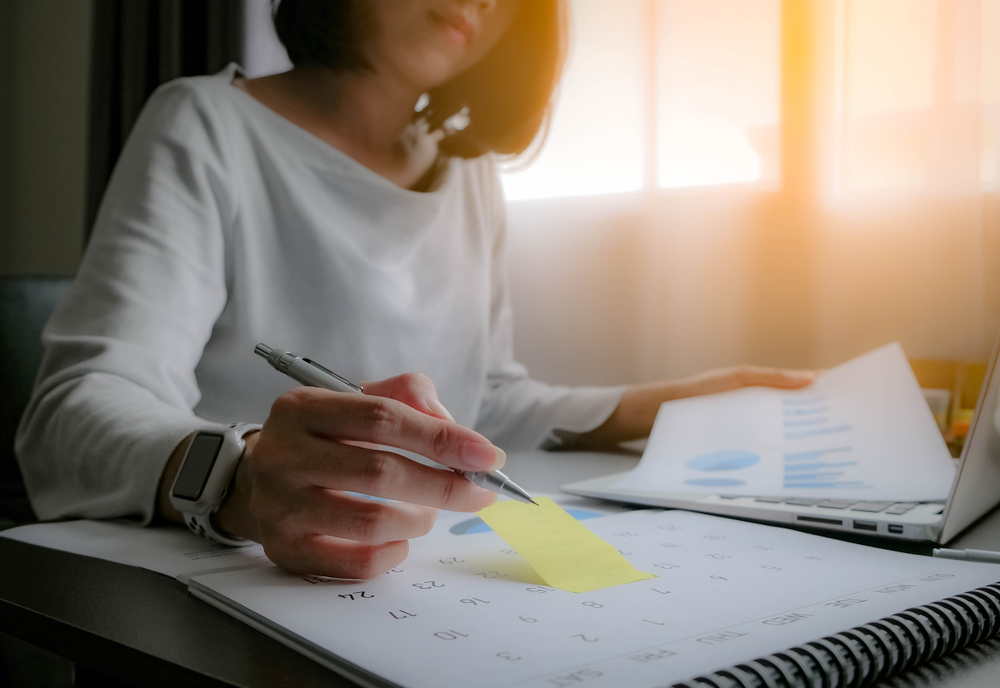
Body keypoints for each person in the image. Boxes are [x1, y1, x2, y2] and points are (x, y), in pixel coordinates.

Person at [15, 0, 815, 579]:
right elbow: (70, 416)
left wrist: (660, 402)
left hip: (421, 571)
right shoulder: (206, 124)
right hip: (236, 588)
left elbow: (485, 399)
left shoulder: (470, 178)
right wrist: (240, 478)